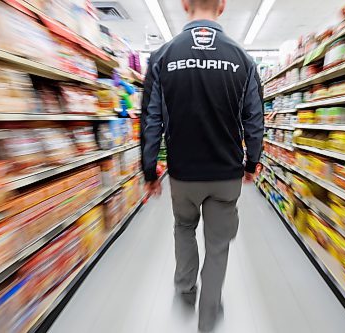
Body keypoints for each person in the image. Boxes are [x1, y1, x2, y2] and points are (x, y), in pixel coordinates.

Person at [140, 0, 264, 331]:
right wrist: (252, 162)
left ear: (184, 4)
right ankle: (208, 316)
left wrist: (149, 170)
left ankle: (185, 291)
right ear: (222, 6)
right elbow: (254, 119)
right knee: (218, 244)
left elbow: (151, 119)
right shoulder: (243, 59)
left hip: (183, 175)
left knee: (183, 228)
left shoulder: (161, 57)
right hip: (225, 175)